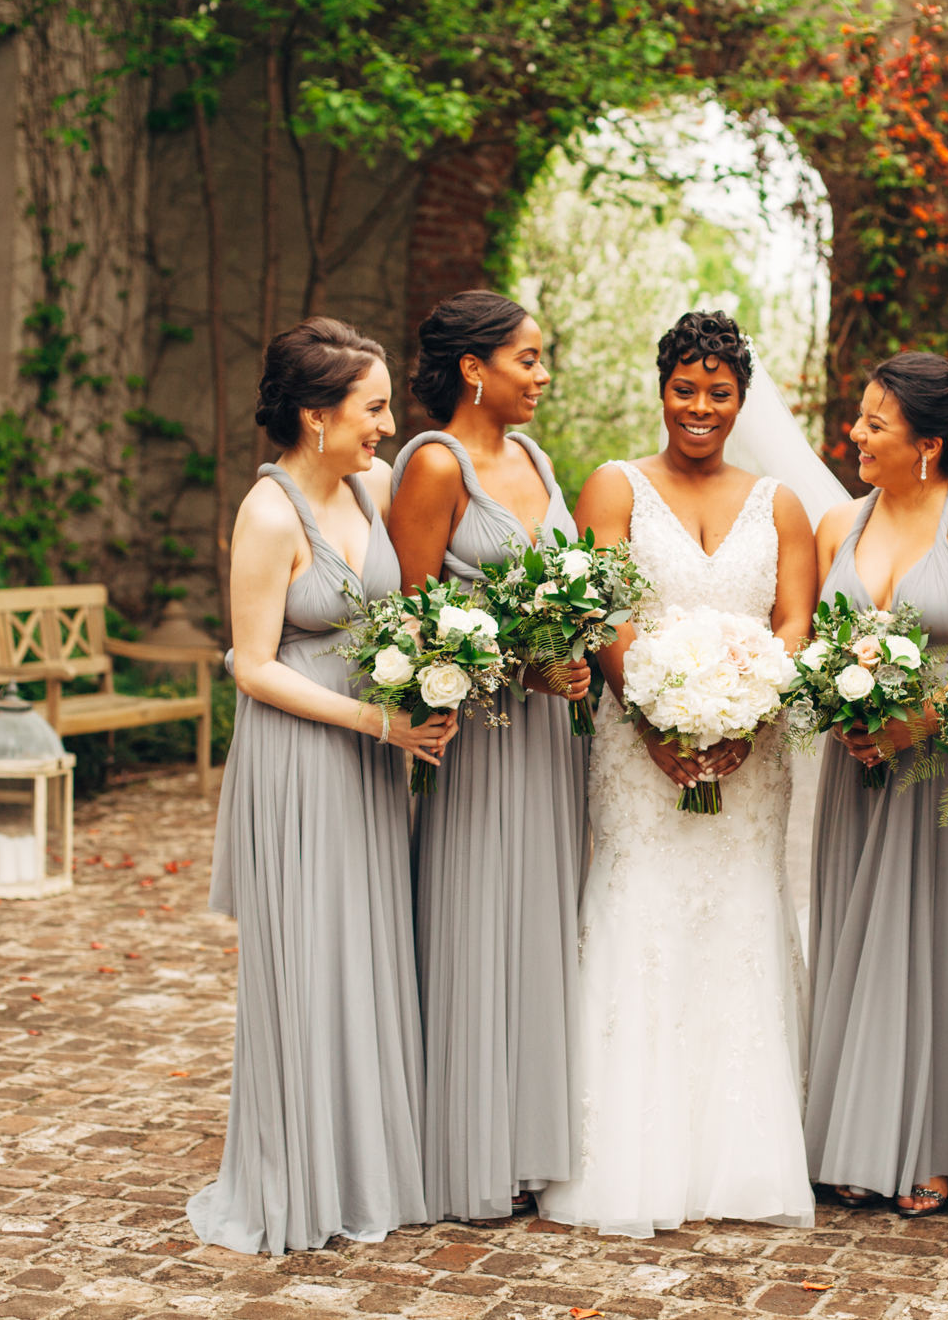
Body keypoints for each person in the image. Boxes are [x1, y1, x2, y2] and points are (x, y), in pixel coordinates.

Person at [539, 311, 818, 1238]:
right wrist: (654, 722)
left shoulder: (779, 504)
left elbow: (793, 623)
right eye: (685, 388)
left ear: (742, 399)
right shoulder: (614, 486)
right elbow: (603, 613)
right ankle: (628, 1155)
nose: (700, 407)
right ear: (661, 390)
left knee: (739, 916)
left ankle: (744, 1154)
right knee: (643, 911)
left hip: (749, 759)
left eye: (719, 392)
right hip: (637, 748)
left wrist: (752, 713)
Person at [188, 318, 456, 1252]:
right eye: (373, 408)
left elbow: (404, 602)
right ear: (316, 415)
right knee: (308, 961)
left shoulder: (370, 488)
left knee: (367, 954)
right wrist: (377, 721)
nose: (388, 426)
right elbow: (253, 665)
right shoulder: (269, 515)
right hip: (302, 757)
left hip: (371, 755)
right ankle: (294, 1179)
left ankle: (362, 1169)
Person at [804, 352, 948, 1218]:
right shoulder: (839, 523)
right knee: (862, 940)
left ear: (928, 444)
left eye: (875, 423)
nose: (855, 434)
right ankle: (860, 1133)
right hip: (858, 766)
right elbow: (816, 643)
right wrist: (838, 707)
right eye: (860, 418)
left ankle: (940, 1144)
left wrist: (922, 720)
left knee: (939, 947)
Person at [388, 290, 590, 1224]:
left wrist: (573, 650)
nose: (542, 376)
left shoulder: (537, 459)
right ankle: (471, 1147)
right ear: (474, 368)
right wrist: (519, 664)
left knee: (540, 919)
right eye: (528, 359)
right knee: (479, 917)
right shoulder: (435, 464)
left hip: (549, 738)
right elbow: (409, 624)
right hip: (479, 736)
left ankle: (529, 1137)